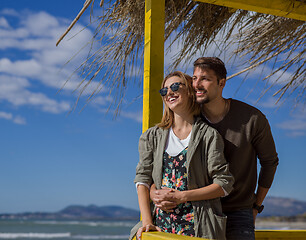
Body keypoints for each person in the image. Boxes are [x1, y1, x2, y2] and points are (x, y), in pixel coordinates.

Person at [150, 57, 279, 240]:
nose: (197, 84)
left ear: (222, 83)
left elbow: (270, 163)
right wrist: (155, 192)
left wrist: (256, 206)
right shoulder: (190, 120)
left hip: (237, 212)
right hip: (200, 212)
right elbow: (163, 166)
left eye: (205, 79)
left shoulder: (252, 119)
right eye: (194, 78)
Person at [130, 71, 234, 240]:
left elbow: (224, 184)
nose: (169, 92)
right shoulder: (152, 137)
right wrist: (147, 221)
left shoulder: (209, 136)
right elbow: (142, 179)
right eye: (164, 90)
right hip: (161, 227)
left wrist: (182, 196)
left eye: (175, 86)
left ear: (190, 92)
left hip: (199, 228)